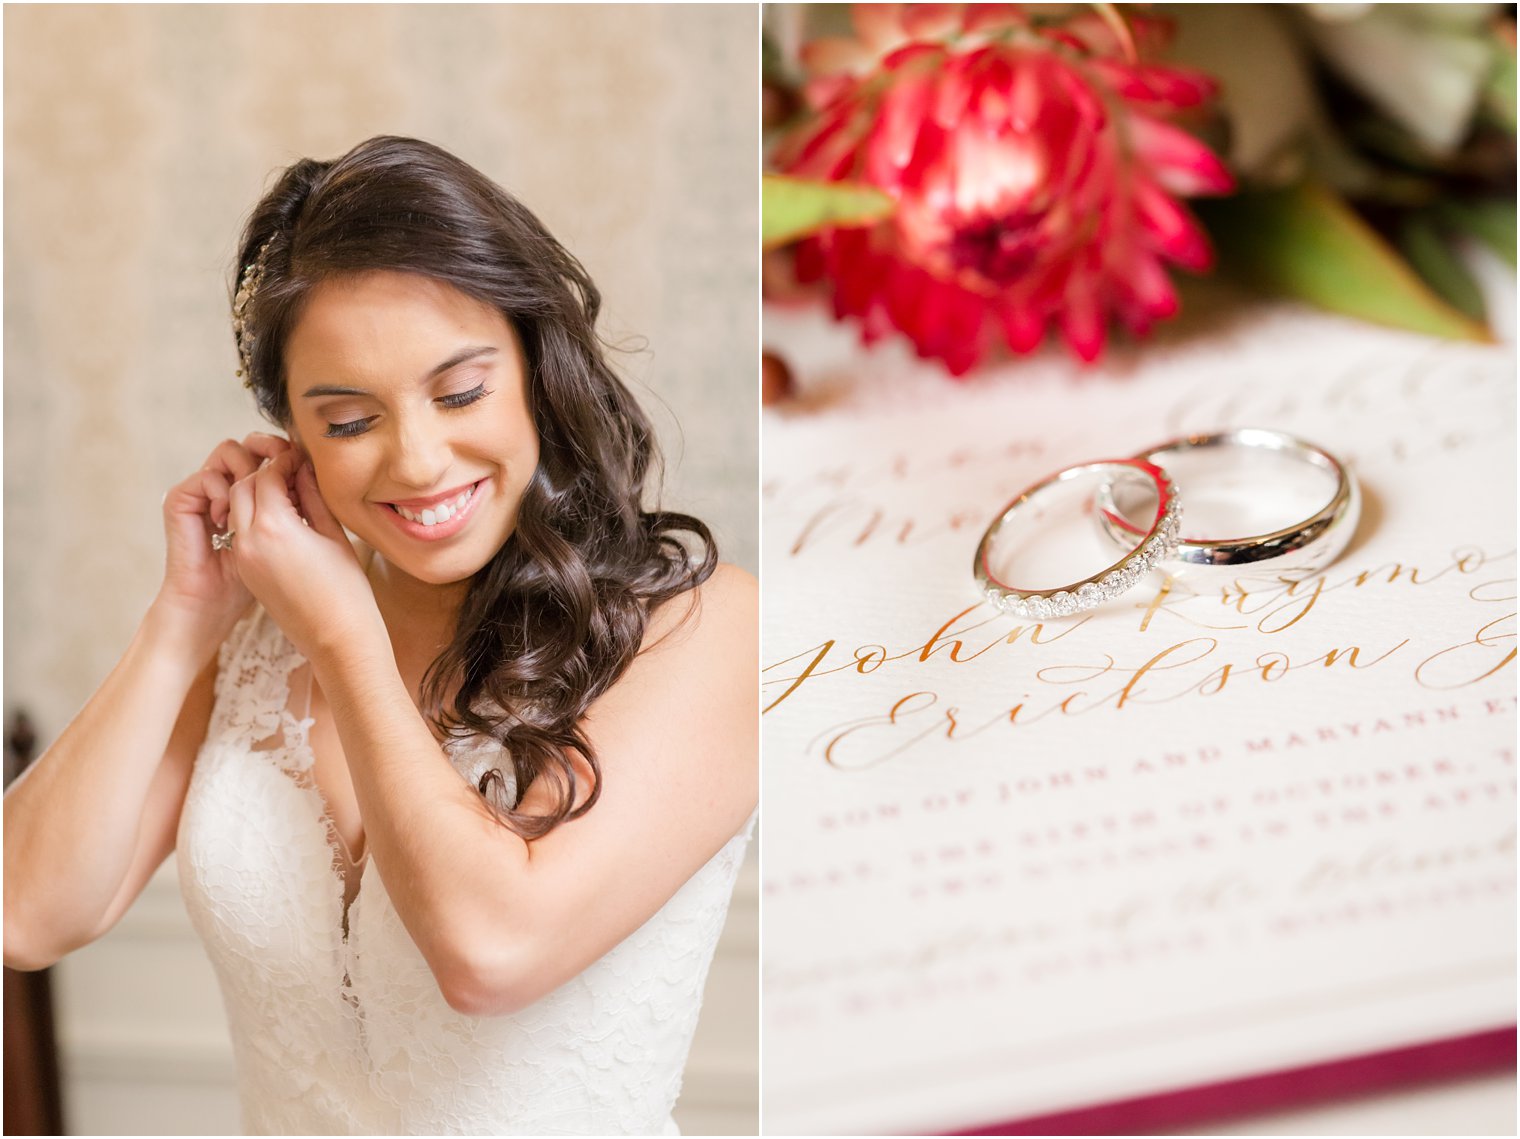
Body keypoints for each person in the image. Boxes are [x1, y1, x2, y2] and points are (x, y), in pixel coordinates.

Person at [3, 135, 758, 1135]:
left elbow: (490, 953)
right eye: (351, 418)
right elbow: (26, 914)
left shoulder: (705, 631)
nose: (417, 457)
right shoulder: (254, 633)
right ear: (293, 438)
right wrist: (185, 619)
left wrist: (343, 640)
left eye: (459, 392)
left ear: (538, 366)